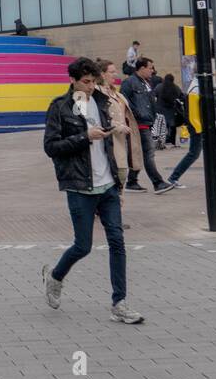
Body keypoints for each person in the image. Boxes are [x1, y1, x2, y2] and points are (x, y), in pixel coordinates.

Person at [42, 57, 144, 324]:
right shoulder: (60, 107)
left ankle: (119, 303)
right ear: (73, 80)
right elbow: (51, 147)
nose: (90, 87)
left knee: (117, 242)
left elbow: (104, 134)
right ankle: (55, 276)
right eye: (85, 82)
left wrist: (112, 129)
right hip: (79, 186)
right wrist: (84, 137)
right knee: (83, 245)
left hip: (108, 183)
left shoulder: (101, 101)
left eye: (93, 82)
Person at [120, 57, 175, 193]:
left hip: (147, 121)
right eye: (150, 68)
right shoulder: (129, 82)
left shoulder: (146, 82)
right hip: (138, 123)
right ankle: (158, 182)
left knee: (141, 153)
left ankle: (132, 181)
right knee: (149, 152)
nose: (152, 70)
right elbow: (124, 101)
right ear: (142, 68)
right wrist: (138, 115)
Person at [95, 59, 141, 191]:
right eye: (112, 72)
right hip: (108, 144)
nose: (115, 75)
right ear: (102, 74)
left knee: (120, 180)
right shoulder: (97, 92)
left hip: (122, 143)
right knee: (113, 185)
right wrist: (116, 126)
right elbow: (97, 116)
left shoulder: (117, 93)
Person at [167, 80, 204, 188]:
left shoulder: (196, 85)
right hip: (197, 125)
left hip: (197, 124)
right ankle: (173, 177)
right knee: (194, 153)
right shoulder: (197, 87)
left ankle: (174, 177)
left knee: (196, 153)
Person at [155, 73, 186, 148]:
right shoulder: (176, 87)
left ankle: (161, 142)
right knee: (172, 126)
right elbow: (182, 97)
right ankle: (172, 142)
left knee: (161, 127)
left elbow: (154, 95)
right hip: (172, 110)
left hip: (160, 110)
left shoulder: (159, 87)